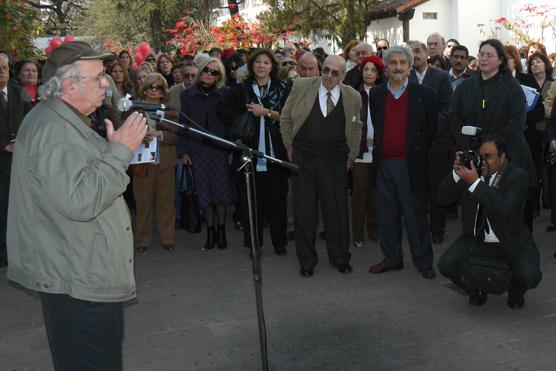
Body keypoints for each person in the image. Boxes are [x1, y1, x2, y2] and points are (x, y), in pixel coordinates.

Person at [6, 41, 147, 370]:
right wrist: (120, 151)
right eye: (97, 77)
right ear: (68, 84)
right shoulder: (53, 129)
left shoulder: (62, 121)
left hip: (80, 270)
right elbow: (81, 200)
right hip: (78, 279)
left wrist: (111, 149)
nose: (106, 84)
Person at [280, 55, 362, 277]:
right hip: (304, 157)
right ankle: (306, 260)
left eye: (335, 73)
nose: (328, 76)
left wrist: (352, 155)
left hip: (335, 160)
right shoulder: (301, 86)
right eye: (325, 70)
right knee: (304, 210)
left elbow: (356, 128)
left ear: (343, 76)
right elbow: (285, 118)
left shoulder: (353, 96)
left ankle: (340, 257)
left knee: (337, 211)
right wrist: (289, 145)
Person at [437, 135, 542, 309]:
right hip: (476, 239)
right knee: (446, 265)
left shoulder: (517, 176)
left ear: (502, 157)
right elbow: (442, 198)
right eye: (480, 156)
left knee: (530, 275)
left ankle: (515, 293)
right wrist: (456, 174)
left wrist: (475, 183)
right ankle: (476, 290)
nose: (483, 162)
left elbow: (504, 207)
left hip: (511, 240)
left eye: (488, 157)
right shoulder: (471, 173)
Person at [367, 46, 438, 279]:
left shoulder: (425, 95)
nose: (398, 67)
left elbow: (432, 131)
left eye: (402, 63)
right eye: (393, 63)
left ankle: (423, 261)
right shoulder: (376, 94)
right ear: (385, 68)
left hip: (411, 166)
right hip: (384, 164)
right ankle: (391, 258)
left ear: (409, 67)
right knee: (386, 216)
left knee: (415, 216)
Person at [450, 38, 530, 238]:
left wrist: (491, 144)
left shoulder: (512, 88)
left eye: (489, 55)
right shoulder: (465, 87)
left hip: (505, 157)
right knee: (472, 207)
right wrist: (466, 138)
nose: (483, 58)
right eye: (481, 54)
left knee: (504, 210)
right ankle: (473, 247)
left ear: (501, 60)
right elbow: (453, 116)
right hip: (473, 155)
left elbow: (516, 123)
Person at [218, 48, 292, 257]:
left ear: (272, 66)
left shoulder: (282, 88)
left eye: (266, 62)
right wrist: (243, 119)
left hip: (275, 155)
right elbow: (222, 111)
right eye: (258, 62)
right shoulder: (241, 89)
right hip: (248, 156)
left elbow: (288, 117)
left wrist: (265, 112)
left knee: (278, 202)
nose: (261, 66)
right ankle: (254, 245)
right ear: (251, 65)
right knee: (251, 203)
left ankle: (280, 243)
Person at [178, 58, 235, 250]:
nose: (209, 75)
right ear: (201, 71)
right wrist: (184, 151)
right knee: (204, 193)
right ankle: (210, 232)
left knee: (221, 192)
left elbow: (230, 125)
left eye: (215, 72)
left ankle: (221, 231)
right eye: (207, 71)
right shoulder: (187, 95)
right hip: (198, 149)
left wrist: (231, 151)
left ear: (220, 76)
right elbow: (182, 124)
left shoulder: (226, 94)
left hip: (220, 150)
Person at [408, 40, 453, 245]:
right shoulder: (402, 77)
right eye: (410, 52)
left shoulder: (442, 77)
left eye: (417, 50)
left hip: (436, 143)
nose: (414, 54)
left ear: (427, 53)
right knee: (416, 190)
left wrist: (428, 131)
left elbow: (447, 110)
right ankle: (418, 229)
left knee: (436, 189)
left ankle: (437, 228)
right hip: (411, 145)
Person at [132, 73, 178, 253]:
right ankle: (142, 240)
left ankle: (168, 238)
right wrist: (139, 137)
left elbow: (176, 136)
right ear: (144, 89)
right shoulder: (134, 109)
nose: (154, 90)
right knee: (142, 202)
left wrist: (160, 135)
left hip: (165, 161)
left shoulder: (169, 110)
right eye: (151, 86)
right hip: (142, 162)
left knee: (166, 202)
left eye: (158, 87)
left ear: (163, 91)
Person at [0, 52, 33, 268]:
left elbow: (32, 119)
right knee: (2, 208)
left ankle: (23, 248)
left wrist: (22, 140)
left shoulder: (18, 92)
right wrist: (4, 144)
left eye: (3, 68)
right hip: (1, 160)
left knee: (21, 207)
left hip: (20, 161)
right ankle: (4, 251)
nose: (0, 72)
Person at [518, 52, 554, 230]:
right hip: (533, 132)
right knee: (535, 167)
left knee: (549, 170)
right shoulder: (527, 82)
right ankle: (535, 202)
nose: (535, 66)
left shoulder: (552, 82)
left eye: (539, 62)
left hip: (550, 130)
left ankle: (548, 201)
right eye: (532, 63)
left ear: (545, 64)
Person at [352, 55, 384, 248]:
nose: (369, 73)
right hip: (359, 151)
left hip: (379, 151)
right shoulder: (354, 93)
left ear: (379, 73)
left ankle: (374, 230)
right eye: (366, 69)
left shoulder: (384, 93)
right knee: (359, 192)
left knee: (375, 193)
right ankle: (357, 234)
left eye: (373, 70)